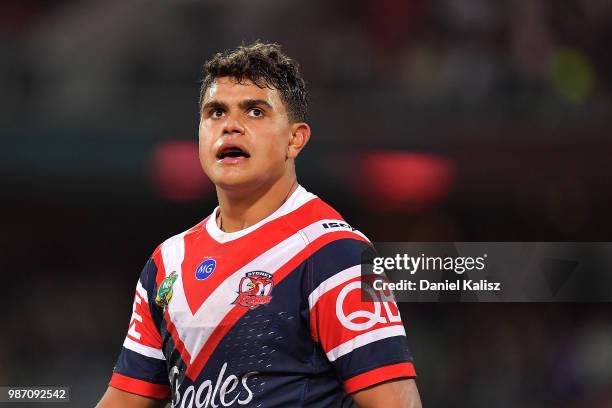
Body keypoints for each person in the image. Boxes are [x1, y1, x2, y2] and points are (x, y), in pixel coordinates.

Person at [97, 42, 421, 408]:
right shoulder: (166, 262)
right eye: (216, 112)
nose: (230, 126)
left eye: (255, 111)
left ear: (294, 139)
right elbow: (125, 398)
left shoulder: (338, 254)